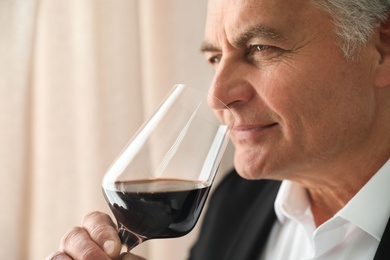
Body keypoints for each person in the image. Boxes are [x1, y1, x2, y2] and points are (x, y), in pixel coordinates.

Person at [47, 0, 390, 259]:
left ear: (382, 50)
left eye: (260, 48)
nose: (217, 95)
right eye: (214, 58)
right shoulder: (233, 203)